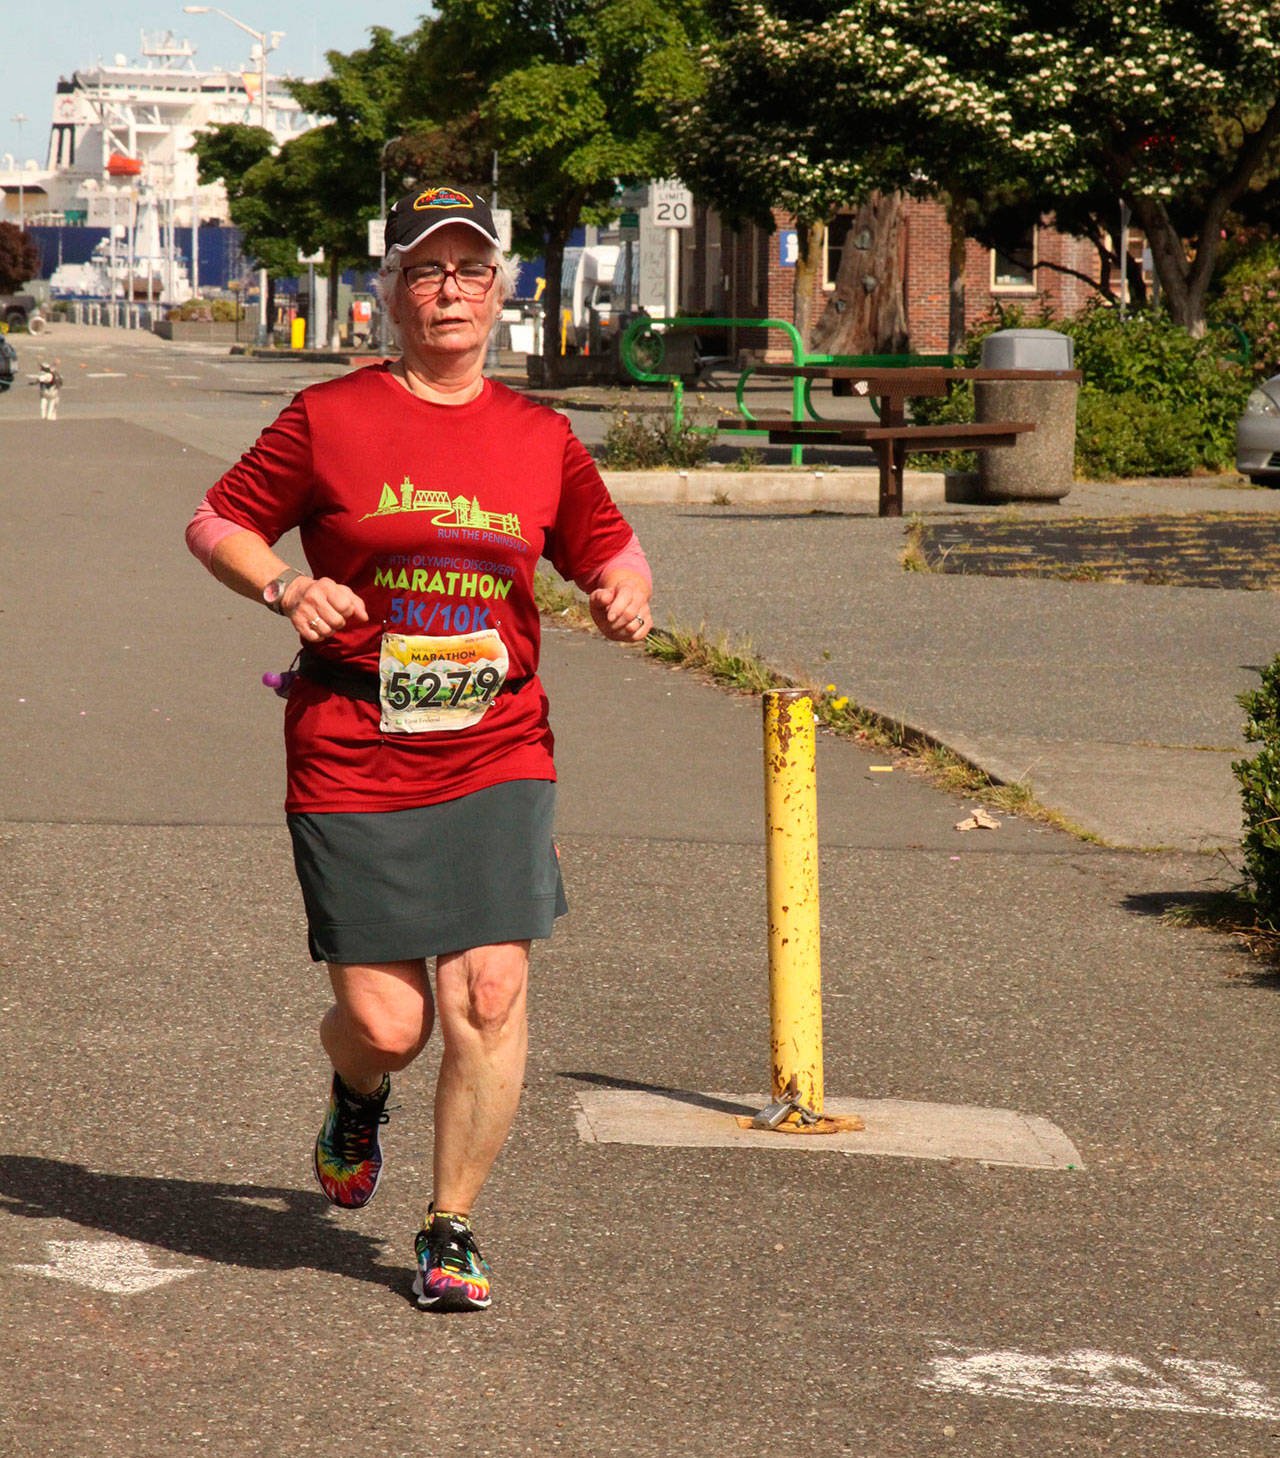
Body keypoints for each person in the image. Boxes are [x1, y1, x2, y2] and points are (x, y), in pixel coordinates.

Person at [185, 185, 652, 1312]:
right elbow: (217, 520)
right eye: (426, 271)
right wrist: (284, 583)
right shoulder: (329, 417)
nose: (450, 290)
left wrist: (621, 593)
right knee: (390, 1024)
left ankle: (451, 1226)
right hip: (352, 742)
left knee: (488, 992)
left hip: (496, 745)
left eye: (471, 270)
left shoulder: (539, 437)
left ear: (501, 292)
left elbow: (610, 549)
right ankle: (356, 1090)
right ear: (389, 292)